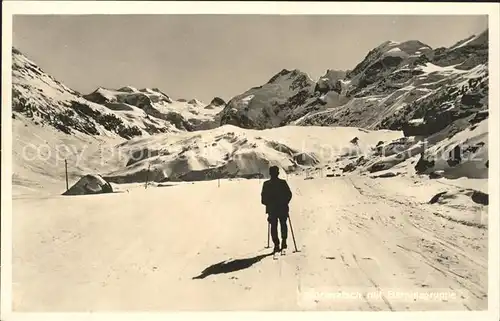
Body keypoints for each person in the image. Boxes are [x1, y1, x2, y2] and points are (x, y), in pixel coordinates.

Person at [261, 166, 292, 253]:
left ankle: (276, 244)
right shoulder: (282, 183)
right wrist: (285, 202)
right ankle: (283, 241)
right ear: (278, 173)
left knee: (274, 227)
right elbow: (289, 195)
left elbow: (263, 199)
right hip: (282, 208)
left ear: (270, 174)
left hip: (272, 209)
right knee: (283, 225)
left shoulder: (266, 184)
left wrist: (269, 203)